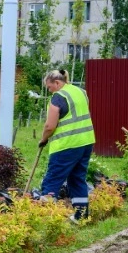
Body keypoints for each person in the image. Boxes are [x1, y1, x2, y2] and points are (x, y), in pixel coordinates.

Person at [37, 69, 95, 222]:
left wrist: (43, 139)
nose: (49, 91)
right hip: (86, 141)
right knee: (77, 179)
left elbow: (50, 125)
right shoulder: (80, 91)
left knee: (52, 180)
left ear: (57, 82)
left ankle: (46, 221)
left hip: (67, 144)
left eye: (49, 87)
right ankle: (81, 216)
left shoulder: (58, 97)